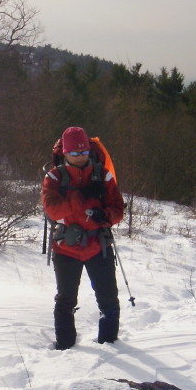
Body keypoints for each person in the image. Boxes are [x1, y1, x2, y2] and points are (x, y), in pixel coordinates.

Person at [41, 126, 125, 349]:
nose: (80, 157)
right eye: (75, 153)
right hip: (66, 248)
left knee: (108, 300)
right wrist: (79, 198)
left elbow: (118, 209)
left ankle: (111, 348)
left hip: (99, 245)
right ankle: (64, 348)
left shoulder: (103, 174)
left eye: (84, 152)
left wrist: (104, 216)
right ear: (65, 153)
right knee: (66, 300)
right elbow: (53, 211)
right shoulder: (54, 177)